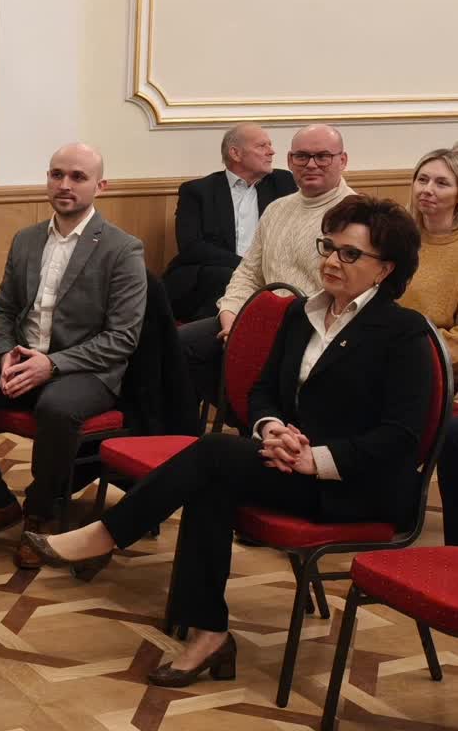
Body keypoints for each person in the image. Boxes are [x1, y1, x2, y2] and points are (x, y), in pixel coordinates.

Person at [23, 196, 431, 687]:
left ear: (385, 269)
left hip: (357, 485)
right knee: (211, 483)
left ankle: (106, 536)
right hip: (288, 463)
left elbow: (401, 439)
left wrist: (314, 460)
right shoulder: (301, 314)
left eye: (350, 254)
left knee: (214, 453)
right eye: (328, 246)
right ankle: (209, 633)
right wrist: (271, 428)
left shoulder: (403, 333)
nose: (330, 261)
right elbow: (263, 391)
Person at [0, 143, 146, 568]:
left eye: (77, 177)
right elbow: (4, 311)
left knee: (56, 407)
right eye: (56, 174)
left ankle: (41, 515)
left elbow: (122, 338)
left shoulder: (122, 249)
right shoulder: (26, 240)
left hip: (86, 371)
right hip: (23, 358)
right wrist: (4, 355)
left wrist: (52, 364)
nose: (65, 185)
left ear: (100, 186)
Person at [179, 124, 355, 411]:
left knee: (262, 365)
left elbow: (344, 297)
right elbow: (248, 274)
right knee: (179, 346)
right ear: (290, 161)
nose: (311, 165)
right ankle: (224, 423)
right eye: (302, 156)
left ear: (342, 160)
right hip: (257, 319)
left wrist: (267, 328)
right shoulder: (277, 209)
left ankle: (257, 418)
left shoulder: (356, 215)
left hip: (312, 330)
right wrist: (231, 318)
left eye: (323, 156)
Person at [162, 123, 296, 321]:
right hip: (214, 275)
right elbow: (192, 247)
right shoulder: (198, 191)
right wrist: (246, 267)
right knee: (225, 279)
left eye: (270, 145)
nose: (271, 151)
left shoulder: (283, 182)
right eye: (262, 146)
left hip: (268, 273)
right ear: (235, 153)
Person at [397, 145, 458, 545]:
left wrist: (417, 351)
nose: (428, 190)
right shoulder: (398, 240)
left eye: (442, 183)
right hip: (389, 356)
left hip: (440, 367)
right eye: (422, 179)